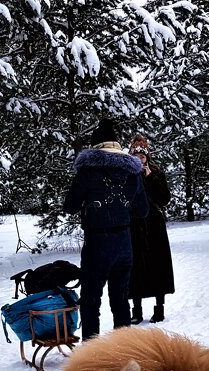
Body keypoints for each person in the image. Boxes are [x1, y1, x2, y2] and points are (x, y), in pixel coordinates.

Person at [63, 118, 148, 340]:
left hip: (97, 243)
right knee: (120, 299)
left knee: (91, 300)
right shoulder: (133, 173)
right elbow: (143, 211)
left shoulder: (88, 171)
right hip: (124, 244)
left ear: (96, 146)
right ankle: (123, 351)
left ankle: (92, 357)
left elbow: (69, 206)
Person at [126, 134, 175, 324]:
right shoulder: (127, 175)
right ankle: (136, 310)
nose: (140, 158)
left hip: (154, 225)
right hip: (134, 225)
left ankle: (159, 308)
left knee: (158, 265)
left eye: (143, 156)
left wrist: (151, 178)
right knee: (135, 267)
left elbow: (164, 199)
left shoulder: (156, 173)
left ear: (148, 157)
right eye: (136, 155)